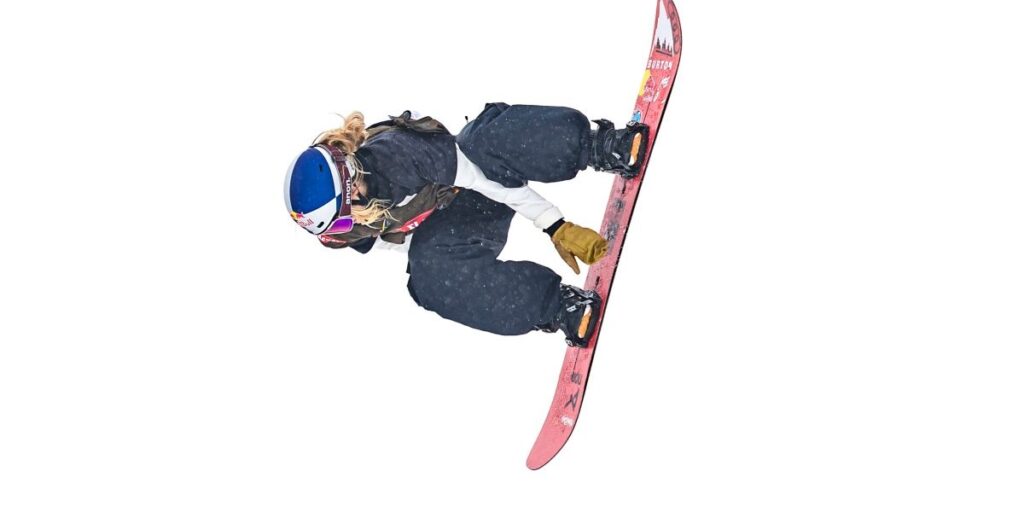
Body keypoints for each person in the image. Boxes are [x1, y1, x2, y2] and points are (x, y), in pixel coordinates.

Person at [284, 102, 648, 346]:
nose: (346, 227)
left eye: (343, 217)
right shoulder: (342, 233)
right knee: (428, 278)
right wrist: (443, 263)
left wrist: (554, 225)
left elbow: (483, 180)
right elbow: (398, 241)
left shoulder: (398, 155)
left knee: (483, 141)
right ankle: (558, 307)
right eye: (338, 227)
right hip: (459, 218)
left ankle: (599, 145)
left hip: (478, 177)